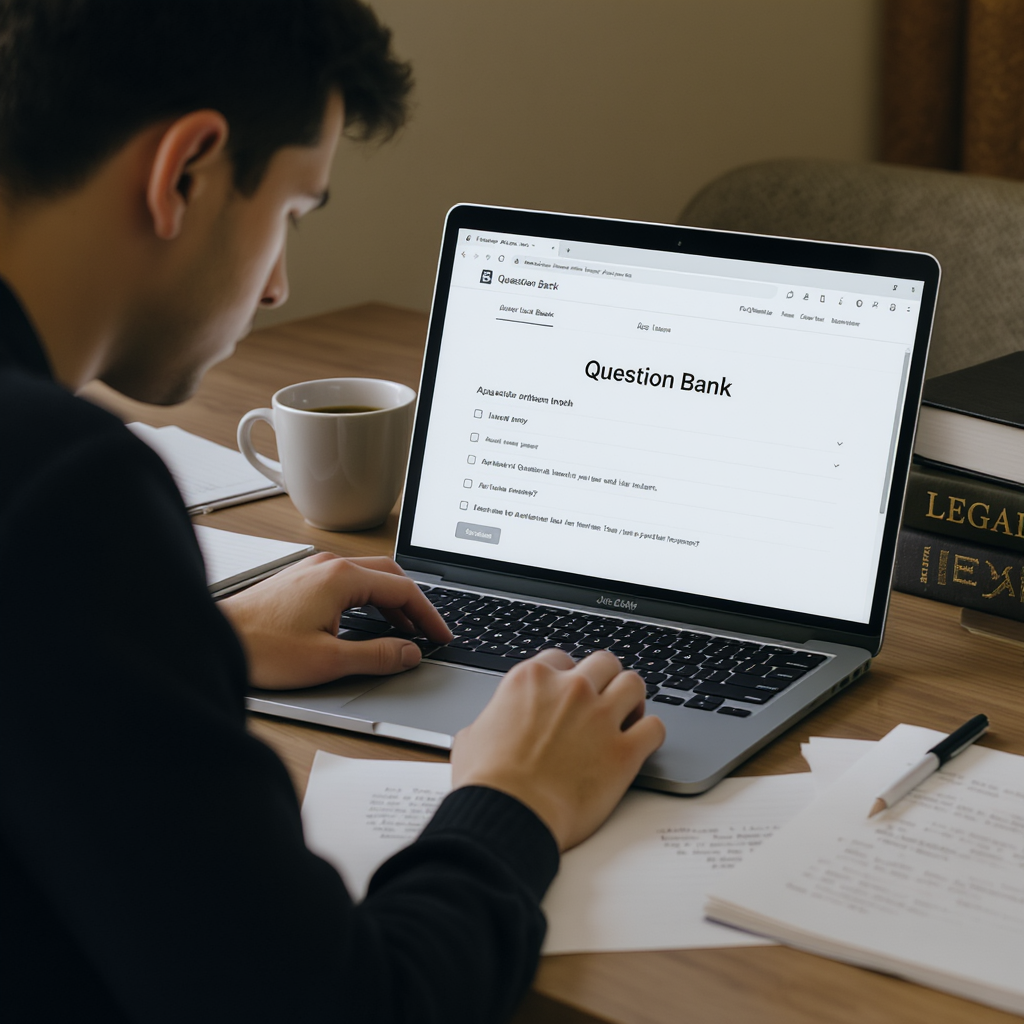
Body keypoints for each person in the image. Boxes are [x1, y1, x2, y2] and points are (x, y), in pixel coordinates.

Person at [0, 2, 666, 1022]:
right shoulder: (66, 491)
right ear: (187, 171)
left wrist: (183, 642)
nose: (276, 286)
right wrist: (517, 798)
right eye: (293, 214)